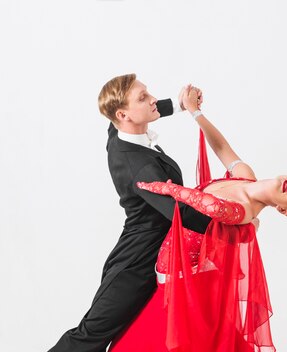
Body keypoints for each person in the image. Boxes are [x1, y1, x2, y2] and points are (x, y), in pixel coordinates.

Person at [108, 88, 287, 352]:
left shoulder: (244, 212)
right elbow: (221, 147)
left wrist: (165, 188)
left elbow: (204, 205)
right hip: (164, 267)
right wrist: (195, 113)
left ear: (283, 210)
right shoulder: (245, 175)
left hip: (184, 286)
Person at [49, 74, 214, 352]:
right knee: (89, 336)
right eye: (143, 98)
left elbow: (138, 113)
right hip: (136, 267)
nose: (152, 99)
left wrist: (179, 104)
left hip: (147, 255)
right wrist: (232, 221)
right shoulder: (140, 168)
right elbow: (181, 214)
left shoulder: (117, 132)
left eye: (148, 93)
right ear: (123, 114)